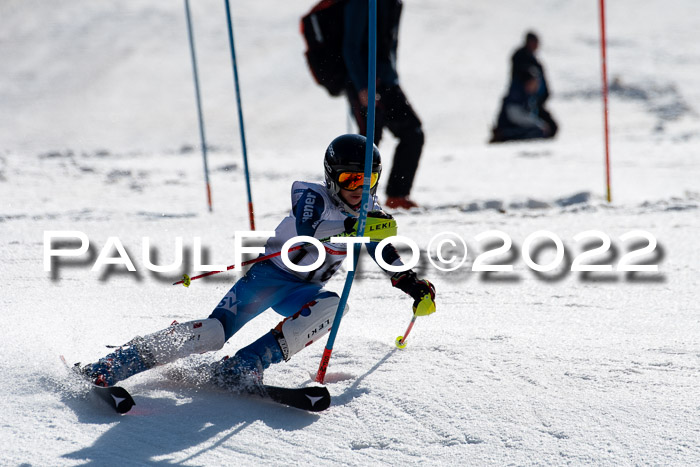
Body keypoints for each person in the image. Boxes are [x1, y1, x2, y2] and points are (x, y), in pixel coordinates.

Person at [79, 134, 436, 391]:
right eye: (350, 179)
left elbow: (384, 252)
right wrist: (350, 226)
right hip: (267, 278)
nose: (360, 188)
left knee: (333, 306)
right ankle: (116, 363)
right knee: (214, 332)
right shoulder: (312, 195)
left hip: (304, 289)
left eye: (368, 178)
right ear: (332, 177)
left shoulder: (371, 214)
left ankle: (244, 367)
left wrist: (411, 284)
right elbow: (307, 230)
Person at [342, 0, 424, 210]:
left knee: (411, 132)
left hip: (385, 82)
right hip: (366, 82)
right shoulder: (363, 3)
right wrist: (362, 85)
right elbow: (350, 46)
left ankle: (396, 195)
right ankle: (350, 201)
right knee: (367, 141)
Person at [490, 68, 557, 143]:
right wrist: (538, 124)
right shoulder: (516, 95)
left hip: (517, 126)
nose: (536, 86)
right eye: (534, 83)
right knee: (537, 131)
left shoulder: (528, 96)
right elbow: (516, 116)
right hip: (509, 128)